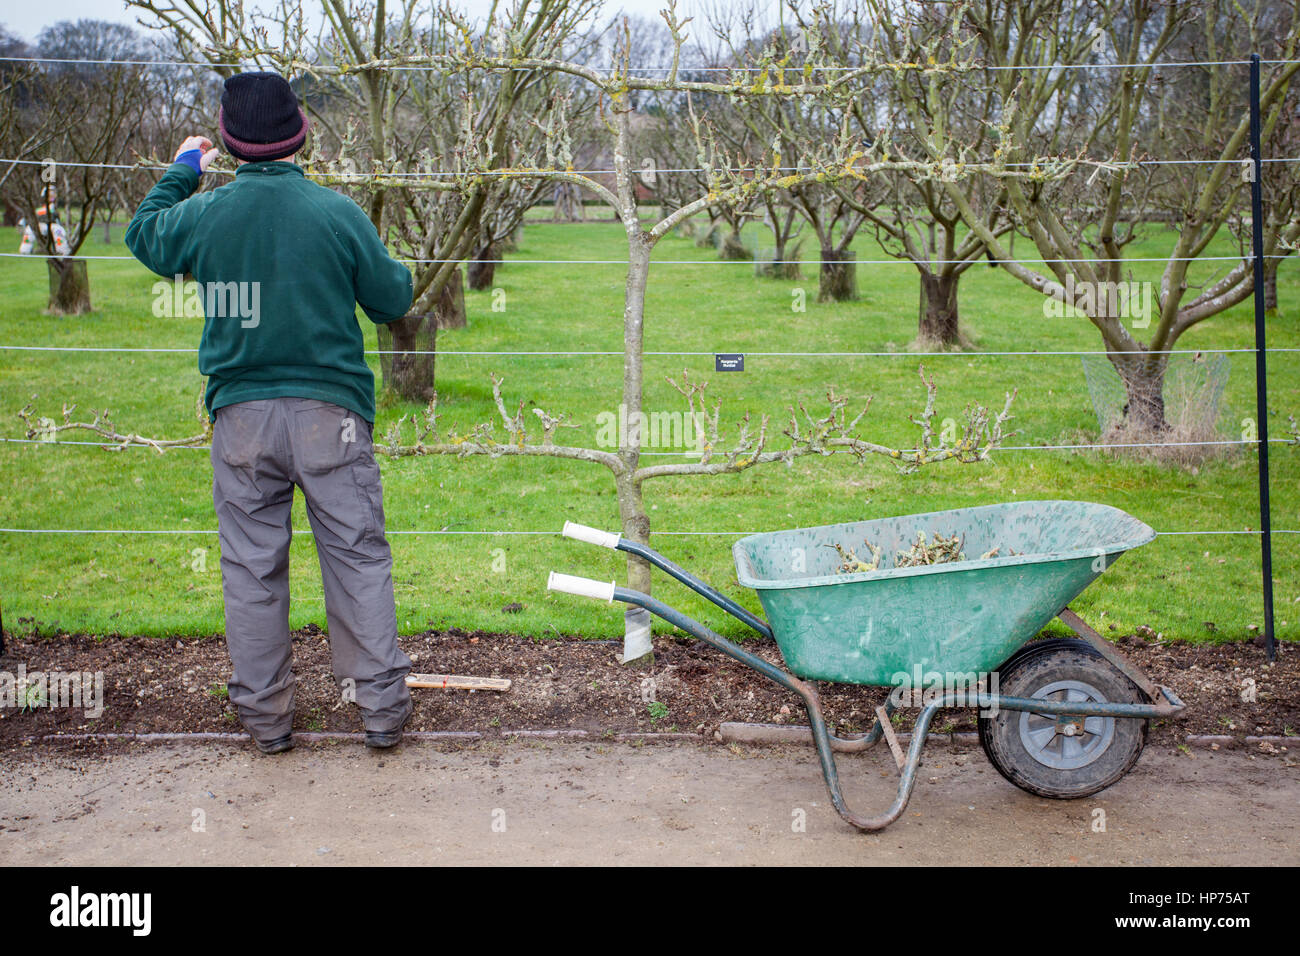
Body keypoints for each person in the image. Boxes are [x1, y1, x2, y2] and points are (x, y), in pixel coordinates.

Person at [125, 72, 416, 754]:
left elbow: (143, 237)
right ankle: (380, 712)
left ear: (227, 141)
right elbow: (393, 298)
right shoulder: (336, 212)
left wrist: (181, 172)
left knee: (252, 568)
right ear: (302, 132)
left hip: (242, 420)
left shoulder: (205, 213)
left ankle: (266, 721)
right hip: (332, 417)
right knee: (356, 558)